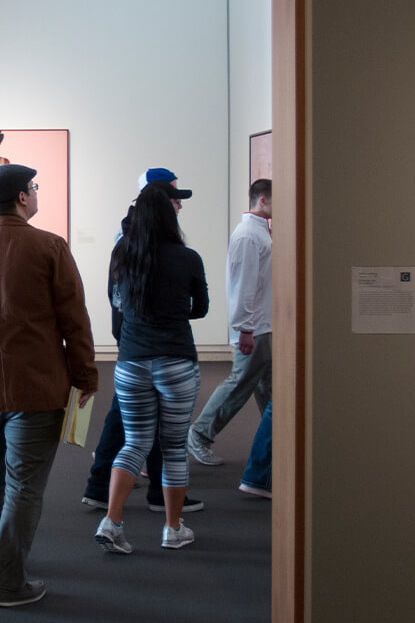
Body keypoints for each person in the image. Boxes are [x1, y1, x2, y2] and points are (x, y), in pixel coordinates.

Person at [0, 162, 97, 607]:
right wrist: (85, 376)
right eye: (34, 186)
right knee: (24, 483)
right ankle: (8, 581)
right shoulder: (50, 247)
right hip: (36, 387)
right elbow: (74, 320)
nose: (36, 192)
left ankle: (5, 555)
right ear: (23, 198)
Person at [80, 169, 203, 515]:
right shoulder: (177, 254)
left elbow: (116, 299)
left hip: (134, 348)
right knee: (158, 433)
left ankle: (112, 506)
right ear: (161, 205)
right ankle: (166, 520)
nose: (180, 205)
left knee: (134, 431)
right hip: (158, 348)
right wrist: (170, 314)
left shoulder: (126, 244)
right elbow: (199, 306)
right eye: (176, 198)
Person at [186, 178, 273, 467]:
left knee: (268, 389)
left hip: (263, 325)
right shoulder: (249, 235)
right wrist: (244, 328)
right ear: (262, 200)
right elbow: (243, 286)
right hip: (255, 327)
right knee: (240, 384)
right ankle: (199, 434)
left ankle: (277, 443)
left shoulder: (260, 233)